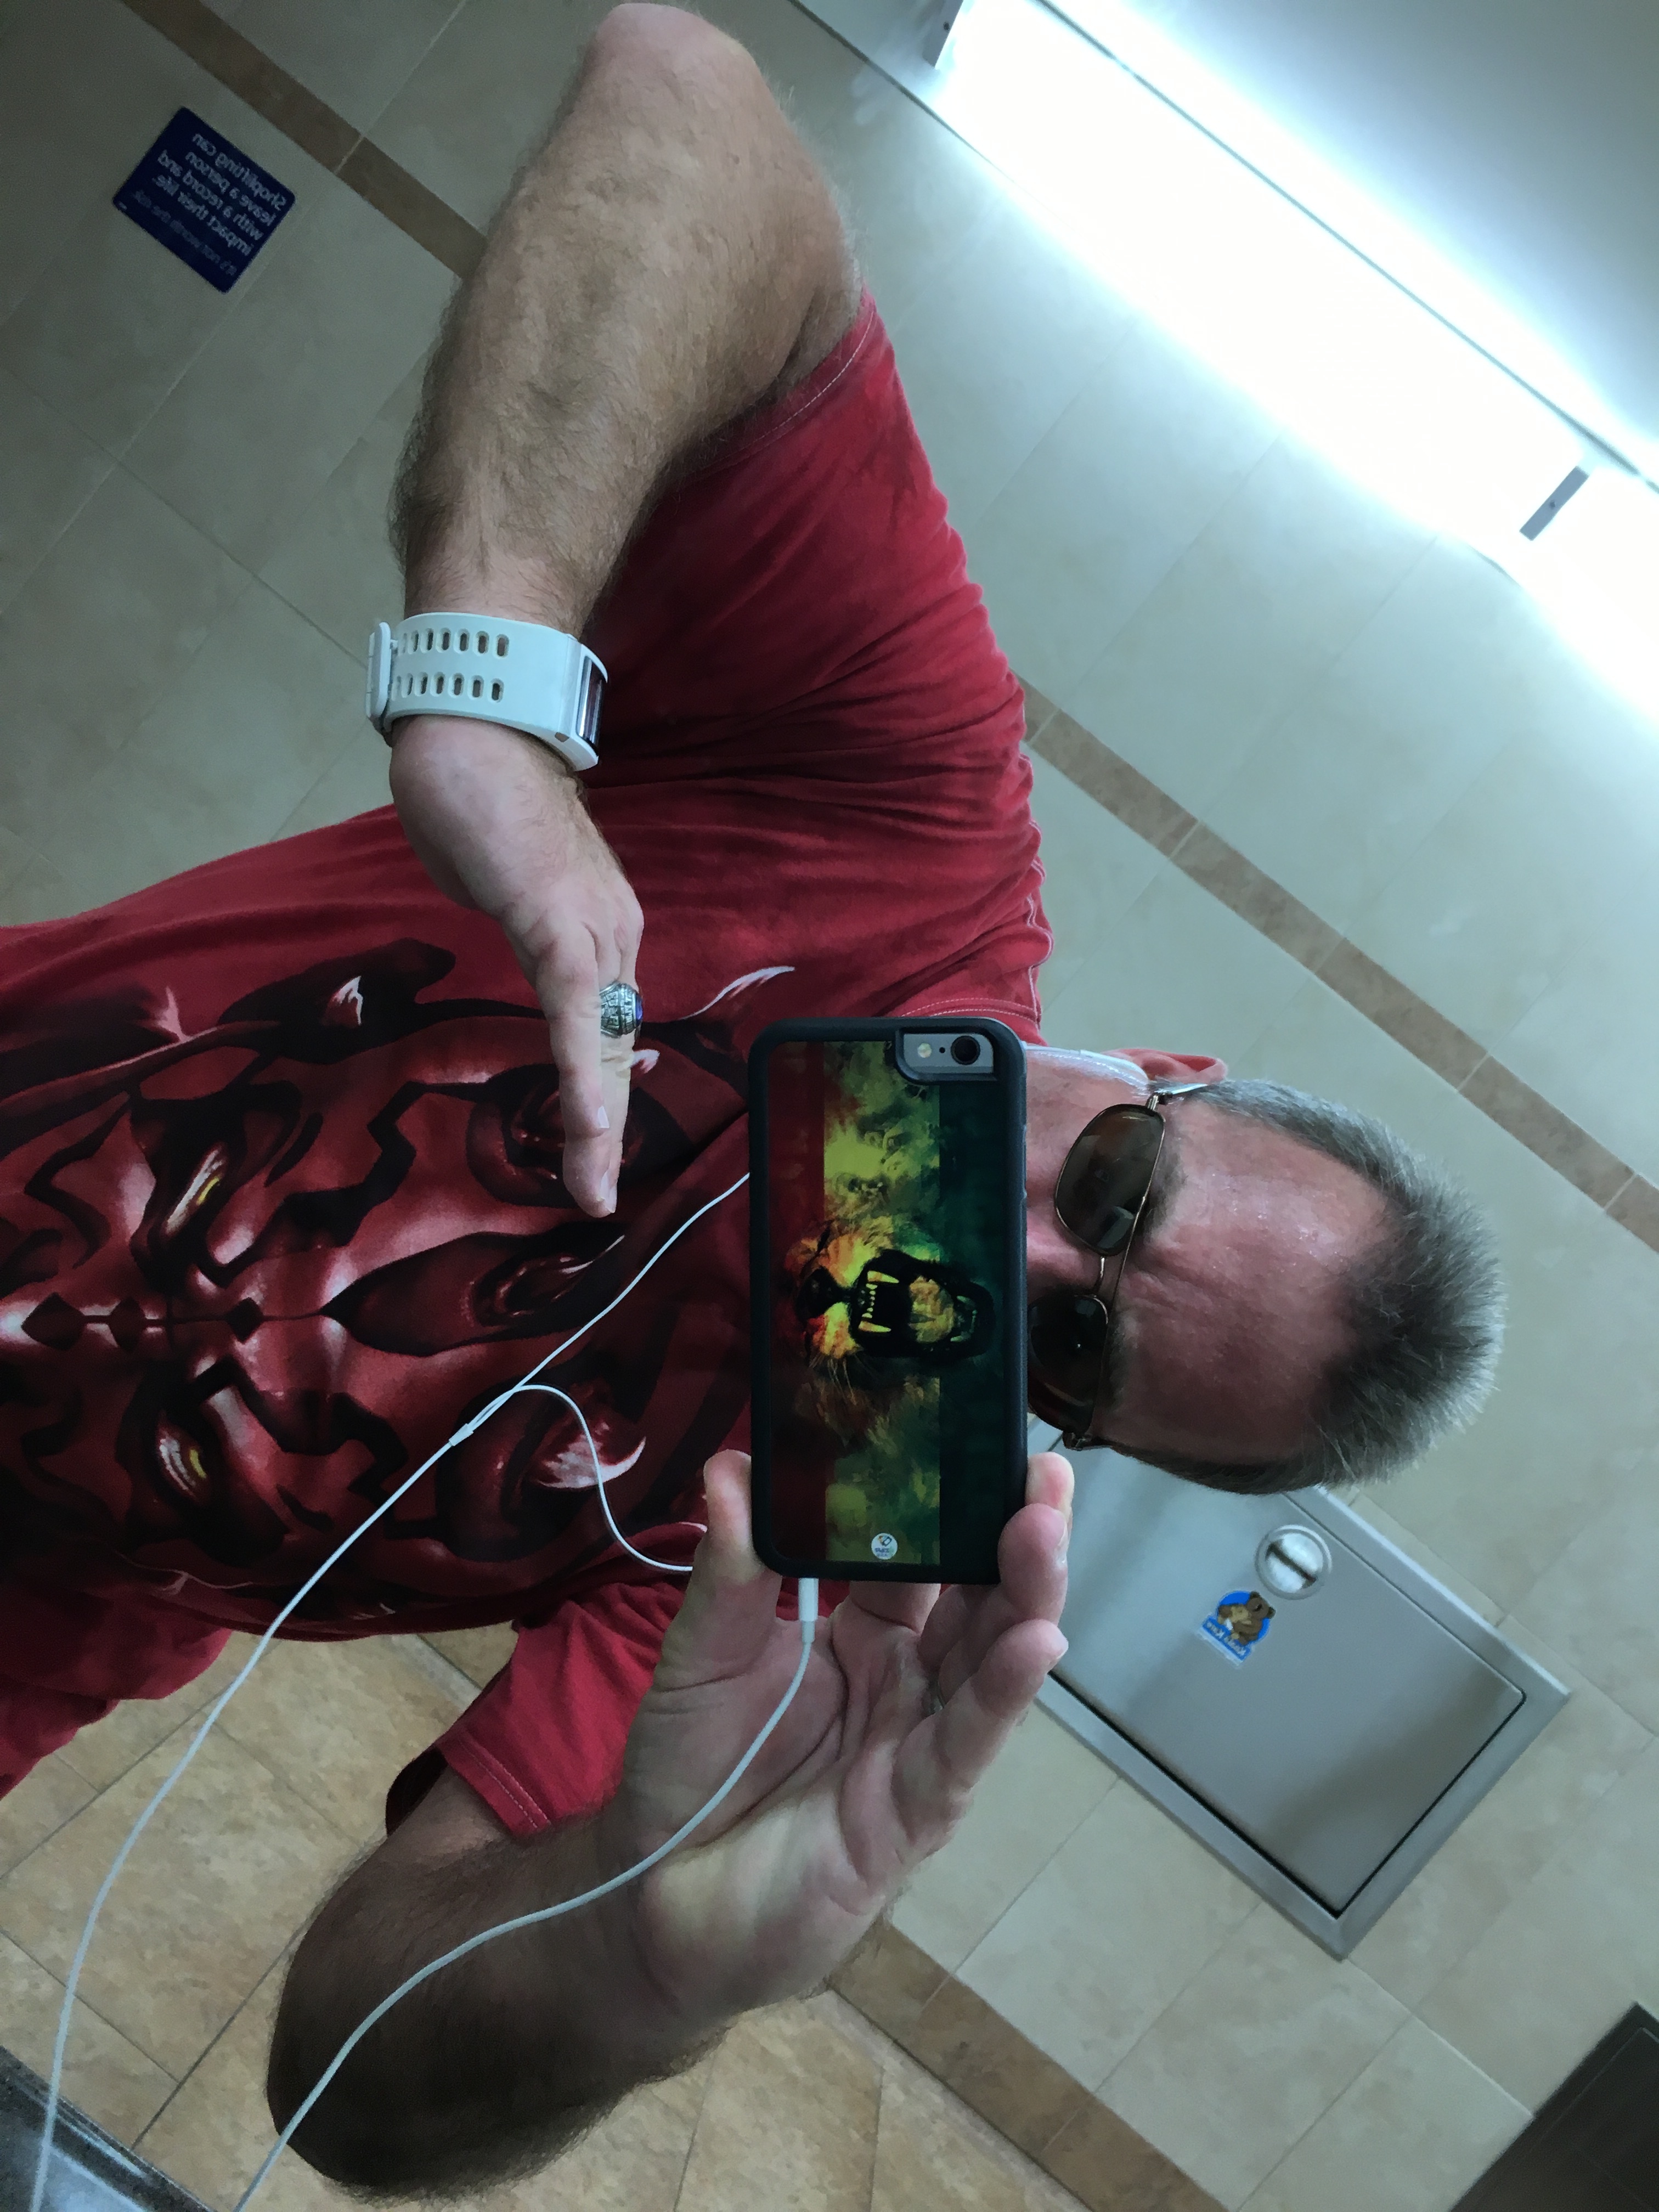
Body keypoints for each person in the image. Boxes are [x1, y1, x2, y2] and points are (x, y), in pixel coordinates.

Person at [0, 5, 1502, 2190]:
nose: (1011, 1249)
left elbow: (348, 2084)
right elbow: (684, 96)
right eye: (1117, 1183)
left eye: (1071, 1344)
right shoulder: (915, 845)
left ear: (1060, 1435)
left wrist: (643, 1963)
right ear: (1160, 1072)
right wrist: (490, 670)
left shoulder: (800, 1556)